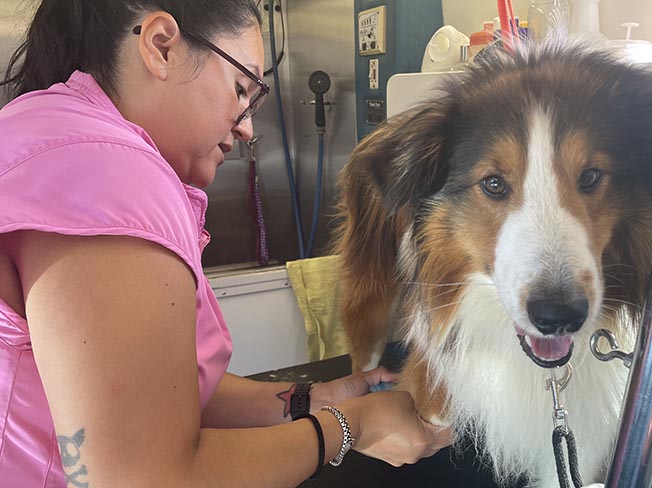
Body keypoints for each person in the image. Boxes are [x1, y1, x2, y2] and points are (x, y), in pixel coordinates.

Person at [0, 1, 452, 486]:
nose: (247, 128)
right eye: (242, 89)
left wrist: (312, 399)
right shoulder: (105, 173)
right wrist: (352, 427)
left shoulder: (44, 132)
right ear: (161, 47)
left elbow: (147, 397)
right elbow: (142, 477)